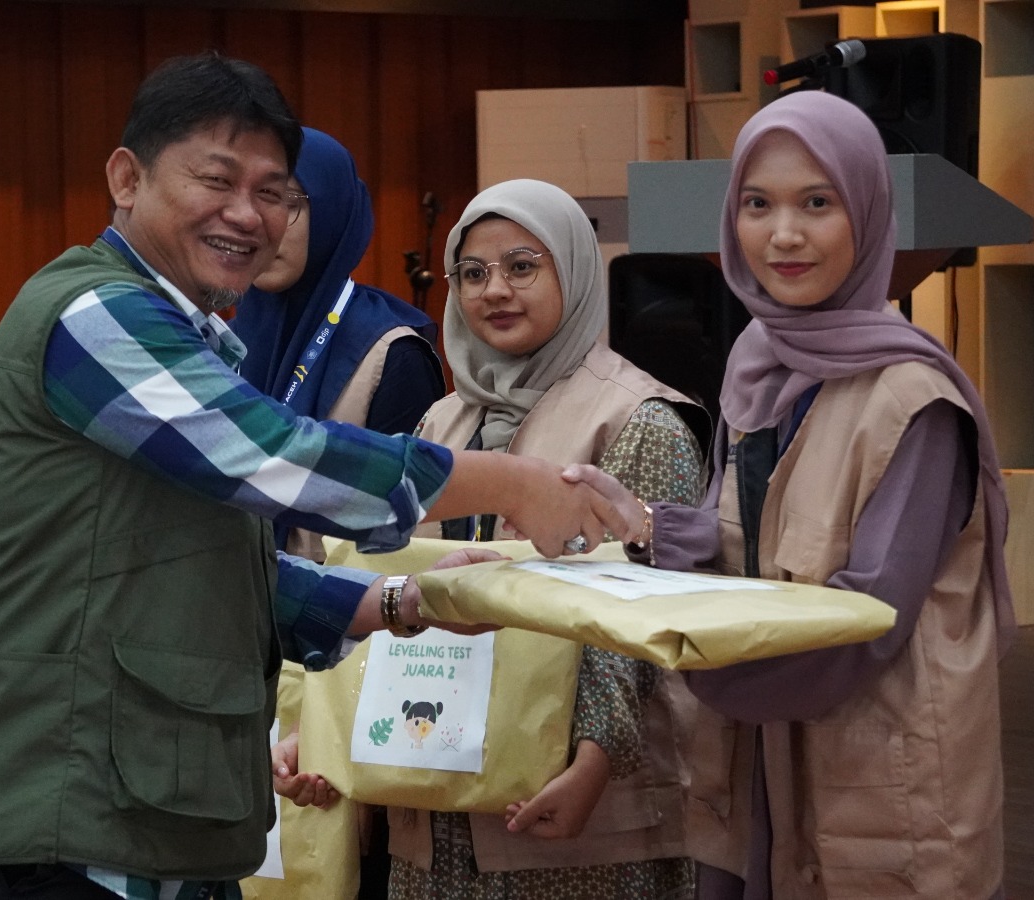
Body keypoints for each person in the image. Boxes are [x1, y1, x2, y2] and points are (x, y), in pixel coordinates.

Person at [0, 53, 643, 900]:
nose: (247, 215)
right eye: (217, 180)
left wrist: (409, 601)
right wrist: (515, 483)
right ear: (127, 178)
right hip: (52, 828)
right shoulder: (96, 315)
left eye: (274, 193)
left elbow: (206, 562)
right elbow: (279, 458)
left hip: (143, 823)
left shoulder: (193, 337)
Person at [611, 90, 1018, 899]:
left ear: (866, 213)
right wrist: (640, 524)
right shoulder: (754, 368)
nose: (784, 234)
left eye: (817, 203)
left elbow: (868, 621)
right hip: (754, 768)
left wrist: (702, 673)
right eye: (757, 204)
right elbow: (744, 541)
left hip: (874, 778)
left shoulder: (914, 401)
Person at [275, 178, 710, 899]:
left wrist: (597, 756)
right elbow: (398, 587)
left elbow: (644, 616)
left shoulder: (641, 419)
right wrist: (321, 731)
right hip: (434, 805)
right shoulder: (440, 423)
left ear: (573, 270)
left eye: (522, 266)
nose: (495, 290)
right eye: (473, 273)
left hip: (573, 807)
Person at [234, 127, 445, 563]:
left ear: (332, 212)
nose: (260, 223)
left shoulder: (393, 354)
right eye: (252, 200)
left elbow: (405, 536)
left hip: (347, 601)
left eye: (284, 201)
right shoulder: (223, 339)